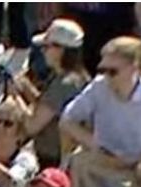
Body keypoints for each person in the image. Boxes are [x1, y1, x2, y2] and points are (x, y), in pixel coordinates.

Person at [59, 36, 141, 172]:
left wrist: (126, 163)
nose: (106, 76)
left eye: (112, 72)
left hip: (137, 172)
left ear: (134, 68)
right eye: (102, 70)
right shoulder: (99, 87)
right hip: (100, 162)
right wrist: (95, 145)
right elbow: (67, 119)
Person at [18, 18, 89, 168]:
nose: (43, 51)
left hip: (52, 160)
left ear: (61, 49)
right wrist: (27, 88)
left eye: (47, 47)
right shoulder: (77, 77)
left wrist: (15, 96)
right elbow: (47, 106)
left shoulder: (65, 85)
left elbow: (32, 125)